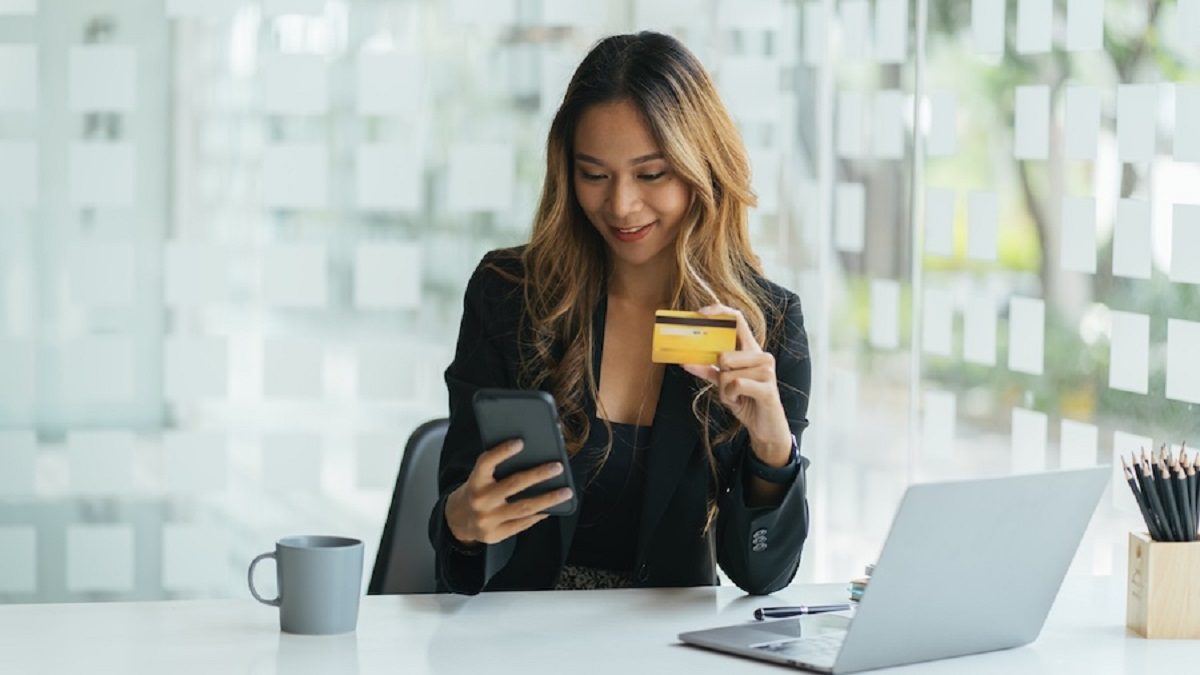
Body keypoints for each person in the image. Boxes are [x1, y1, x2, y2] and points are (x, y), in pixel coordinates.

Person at [428, 31, 811, 595]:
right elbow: (458, 542)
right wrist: (462, 521)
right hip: (519, 639)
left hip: (660, 648)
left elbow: (760, 575)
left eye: (651, 174)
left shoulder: (765, 324)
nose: (621, 205)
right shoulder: (507, 294)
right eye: (594, 174)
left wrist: (773, 446)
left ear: (702, 166)